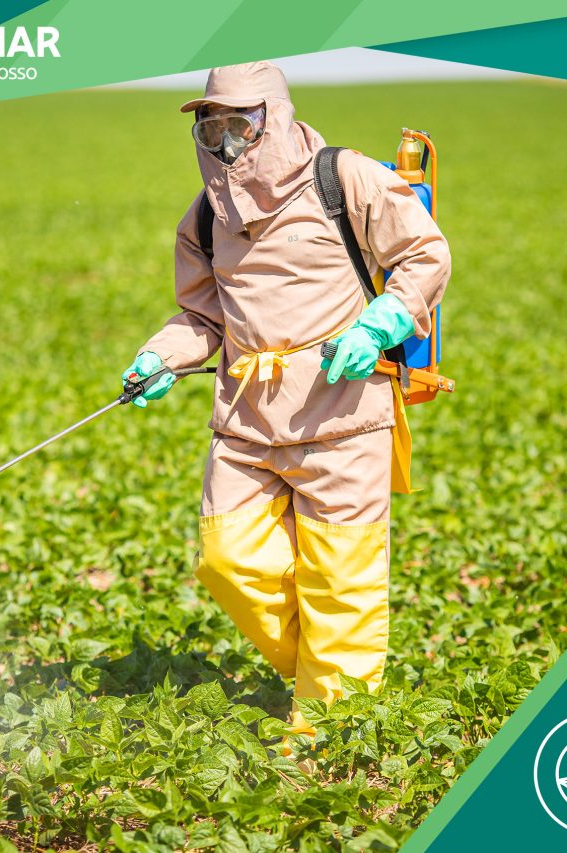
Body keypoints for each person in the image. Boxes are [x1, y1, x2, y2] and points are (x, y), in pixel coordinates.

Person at [122, 62, 451, 738]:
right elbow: (202, 317)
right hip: (246, 422)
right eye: (210, 127)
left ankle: (325, 740)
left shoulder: (345, 178)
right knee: (228, 560)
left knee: (341, 582)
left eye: (238, 125)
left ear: (272, 118)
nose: (224, 142)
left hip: (344, 416)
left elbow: (425, 256)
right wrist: (162, 355)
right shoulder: (205, 218)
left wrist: (381, 323)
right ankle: (325, 677)